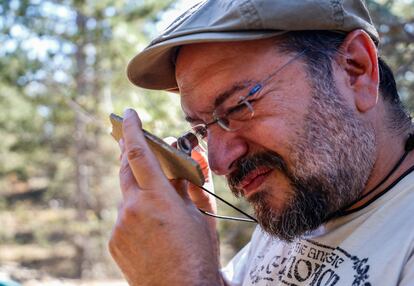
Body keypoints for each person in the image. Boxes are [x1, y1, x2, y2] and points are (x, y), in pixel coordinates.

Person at [108, 0, 414, 285]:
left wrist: (182, 279)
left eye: (239, 107)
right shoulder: (306, 201)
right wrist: (197, 261)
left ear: (355, 69)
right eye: (203, 129)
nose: (219, 163)